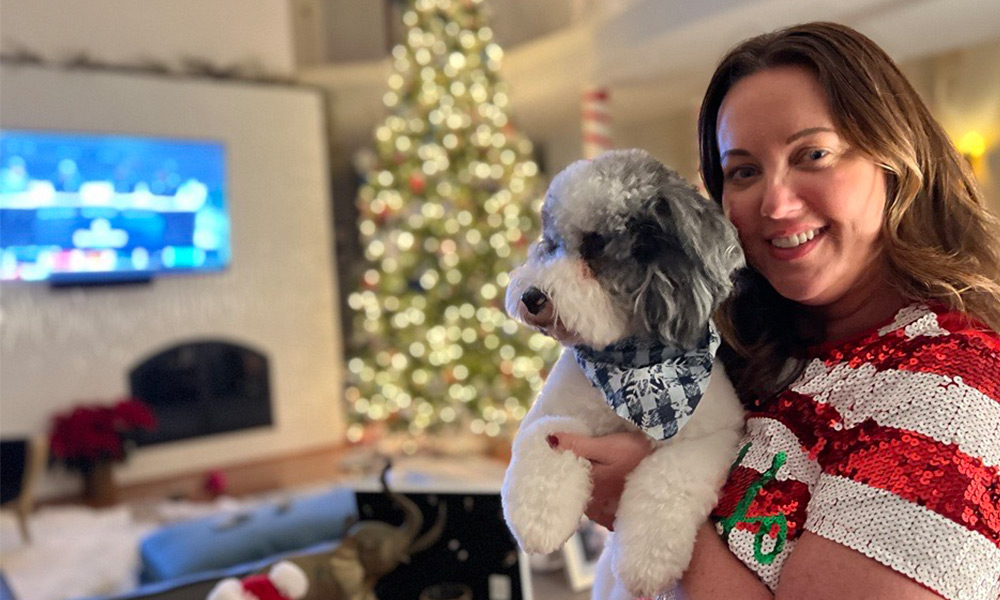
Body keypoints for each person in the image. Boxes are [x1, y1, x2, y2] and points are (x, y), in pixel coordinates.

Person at [548, 22, 1000, 600]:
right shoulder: (746, 352)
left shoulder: (950, 382)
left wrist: (641, 498)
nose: (777, 203)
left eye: (813, 154)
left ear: (896, 160)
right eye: (743, 171)